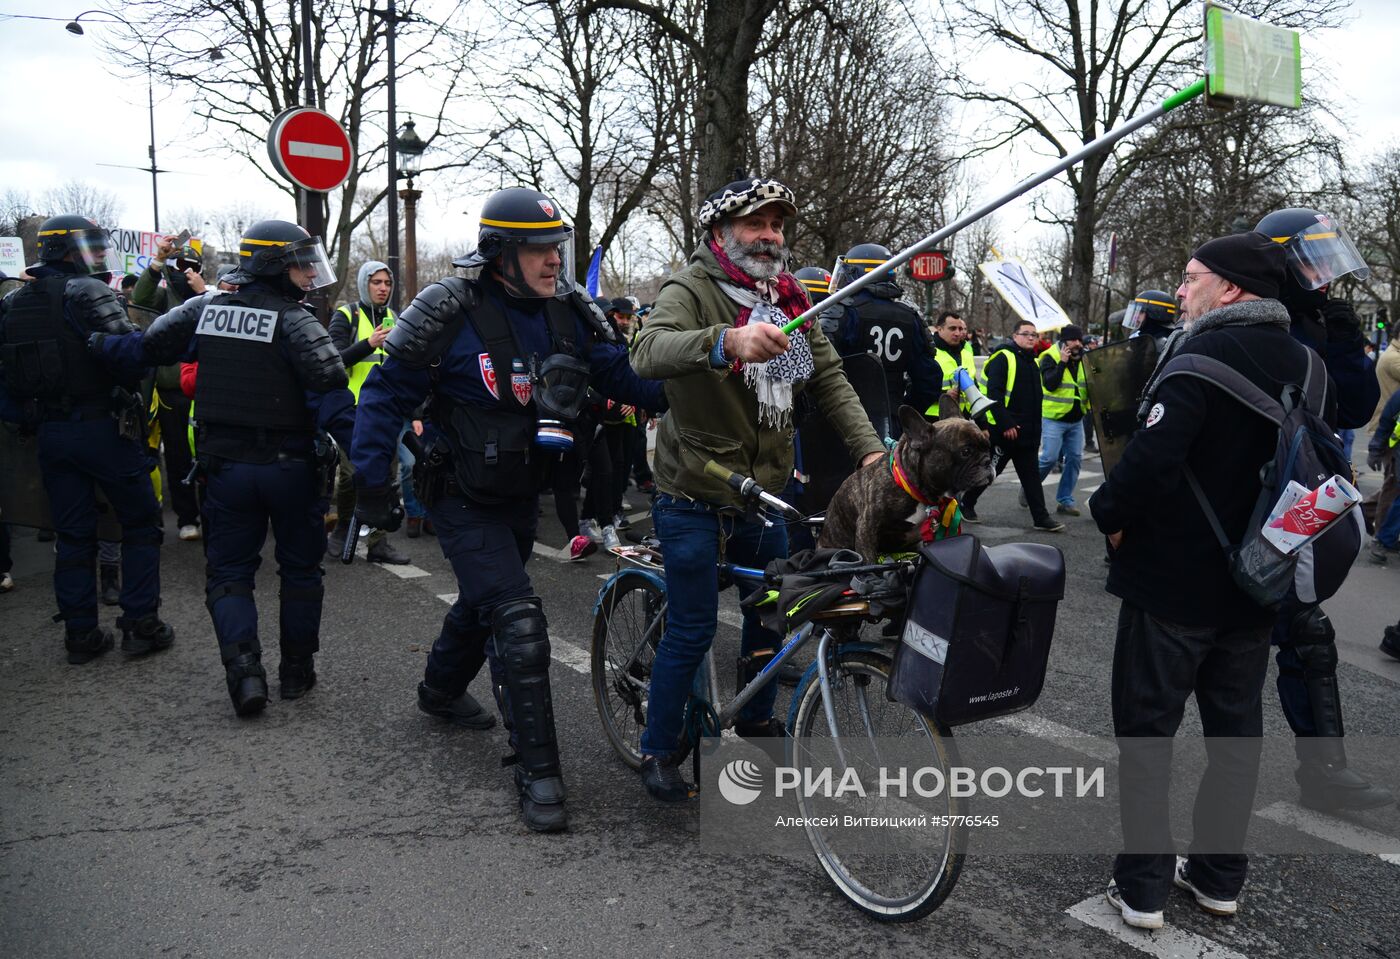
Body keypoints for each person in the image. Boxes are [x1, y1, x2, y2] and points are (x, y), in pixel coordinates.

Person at [350, 187, 663, 833]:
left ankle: (438, 690)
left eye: (558, 247)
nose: (554, 260)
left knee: (486, 600)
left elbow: (631, 381)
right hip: (461, 498)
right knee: (517, 616)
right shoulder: (448, 309)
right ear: (500, 252)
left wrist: (716, 359)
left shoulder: (572, 312)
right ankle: (539, 771)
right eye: (538, 249)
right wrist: (371, 480)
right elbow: (382, 395)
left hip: (524, 496)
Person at [1090, 232, 1334, 929]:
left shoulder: (1197, 356)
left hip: (1172, 583)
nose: (1181, 288)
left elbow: (1149, 463)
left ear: (1229, 288)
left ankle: (1141, 886)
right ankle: (1219, 874)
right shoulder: (1311, 368)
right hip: (1260, 581)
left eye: (1191, 276)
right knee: (1236, 735)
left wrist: (1107, 513)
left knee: (1147, 734)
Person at [629, 174, 885, 801]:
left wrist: (873, 453)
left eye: (776, 226)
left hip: (764, 491)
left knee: (774, 612)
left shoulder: (793, 298)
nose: (770, 236)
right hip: (694, 489)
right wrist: (726, 341)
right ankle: (658, 748)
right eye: (755, 224)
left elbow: (827, 378)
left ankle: (756, 716)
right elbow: (648, 352)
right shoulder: (689, 288)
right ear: (720, 232)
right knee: (691, 628)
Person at [94, 220, 355, 716]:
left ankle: (244, 675)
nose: (306, 275)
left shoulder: (204, 309)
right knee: (301, 572)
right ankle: (297, 673)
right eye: (299, 264)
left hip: (226, 471)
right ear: (274, 265)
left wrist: (93, 344)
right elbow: (335, 403)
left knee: (230, 574)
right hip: (292, 471)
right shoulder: (297, 322)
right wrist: (373, 473)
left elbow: (142, 349)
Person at [1255, 207, 1393, 812]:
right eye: (1311, 259)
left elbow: (1356, 409)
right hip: (1245, 494)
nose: (1324, 275)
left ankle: (1323, 771)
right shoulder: (1256, 320)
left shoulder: (1321, 321)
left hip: (1302, 494)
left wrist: (1345, 347)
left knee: (1305, 630)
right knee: (1199, 643)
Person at [0, 215, 173, 664]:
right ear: (66, 251)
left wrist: (29, 417)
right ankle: (140, 625)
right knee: (140, 523)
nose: (98, 256)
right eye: (90, 247)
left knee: (73, 534)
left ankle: (81, 635)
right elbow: (129, 359)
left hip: (50, 435)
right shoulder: (87, 292)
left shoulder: (15, 302)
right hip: (102, 428)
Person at [327, 261, 409, 564]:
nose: (383, 288)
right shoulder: (346, 315)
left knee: (384, 478)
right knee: (350, 476)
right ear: (365, 284)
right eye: (377, 283)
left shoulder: (395, 318)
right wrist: (368, 343)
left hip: (385, 412)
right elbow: (332, 361)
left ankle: (378, 542)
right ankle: (342, 530)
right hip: (352, 411)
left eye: (387, 283)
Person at [131, 234, 207, 543]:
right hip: (169, 395)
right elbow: (140, 297)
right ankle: (185, 518)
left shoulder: (208, 296)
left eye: (192, 266)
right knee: (175, 459)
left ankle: (207, 514)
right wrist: (158, 262)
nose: (185, 272)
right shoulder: (164, 299)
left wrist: (205, 293)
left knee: (204, 457)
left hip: (202, 393)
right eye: (179, 265)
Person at [823, 242, 939, 437]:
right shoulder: (911, 317)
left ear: (857, 272)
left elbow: (821, 370)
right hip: (893, 421)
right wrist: (904, 410)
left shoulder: (842, 311)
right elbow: (929, 380)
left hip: (845, 422)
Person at [959, 319, 1064, 531]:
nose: (1031, 337)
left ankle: (1041, 518)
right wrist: (1006, 424)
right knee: (990, 473)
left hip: (1027, 433)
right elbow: (994, 394)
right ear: (1015, 336)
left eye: (1034, 334)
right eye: (1026, 334)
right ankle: (967, 503)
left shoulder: (1032, 361)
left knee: (1031, 477)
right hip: (1006, 432)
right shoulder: (1003, 357)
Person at [1036, 324, 1089, 517]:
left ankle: (1065, 500)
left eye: (1079, 340)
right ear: (1064, 341)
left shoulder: (1083, 357)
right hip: (1054, 418)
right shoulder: (1049, 356)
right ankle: (1030, 486)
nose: (1077, 344)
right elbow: (1049, 384)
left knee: (1075, 458)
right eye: (1073, 340)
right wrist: (1062, 363)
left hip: (1076, 419)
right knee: (1049, 458)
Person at [1367, 387, 1400, 564]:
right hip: (1397, 451)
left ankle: (1385, 537)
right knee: (1393, 494)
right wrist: (1376, 448)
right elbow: (1387, 420)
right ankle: (1382, 539)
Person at [926, 310, 977, 418]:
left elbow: (974, 388)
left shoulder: (967, 353)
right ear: (939, 329)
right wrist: (943, 394)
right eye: (952, 328)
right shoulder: (927, 353)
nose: (958, 333)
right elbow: (915, 388)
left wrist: (982, 424)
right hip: (934, 420)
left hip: (962, 418)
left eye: (960, 329)